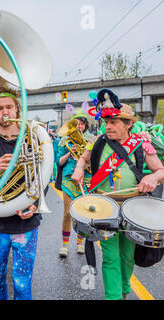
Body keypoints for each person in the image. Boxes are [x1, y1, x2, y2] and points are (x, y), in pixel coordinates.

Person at [72, 89, 164, 300]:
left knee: (127, 256)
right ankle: (113, 296)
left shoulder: (142, 144)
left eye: (114, 122)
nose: (108, 126)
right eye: (106, 121)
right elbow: (83, 160)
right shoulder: (97, 142)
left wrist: (153, 178)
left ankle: (123, 290)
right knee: (111, 256)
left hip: (134, 208)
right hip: (104, 206)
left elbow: (161, 170)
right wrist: (78, 169)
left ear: (128, 124)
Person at [0, 86, 42, 300]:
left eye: (9, 107)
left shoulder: (32, 136)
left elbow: (43, 176)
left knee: (22, 283)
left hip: (26, 222)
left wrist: (35, 205)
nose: (5, 112)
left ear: (17, 110)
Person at [57, 112, 94, 258]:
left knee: (84, 213)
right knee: (67, 213)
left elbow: (95, 161)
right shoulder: (64, 141)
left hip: (87, 179)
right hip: (68, 178)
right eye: (77, 124)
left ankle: (80, 243)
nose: (79, 126)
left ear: (85, 126)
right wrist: (70, 154)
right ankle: (64, 245)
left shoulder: (91, 140)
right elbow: (59, 162)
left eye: (82, 124)